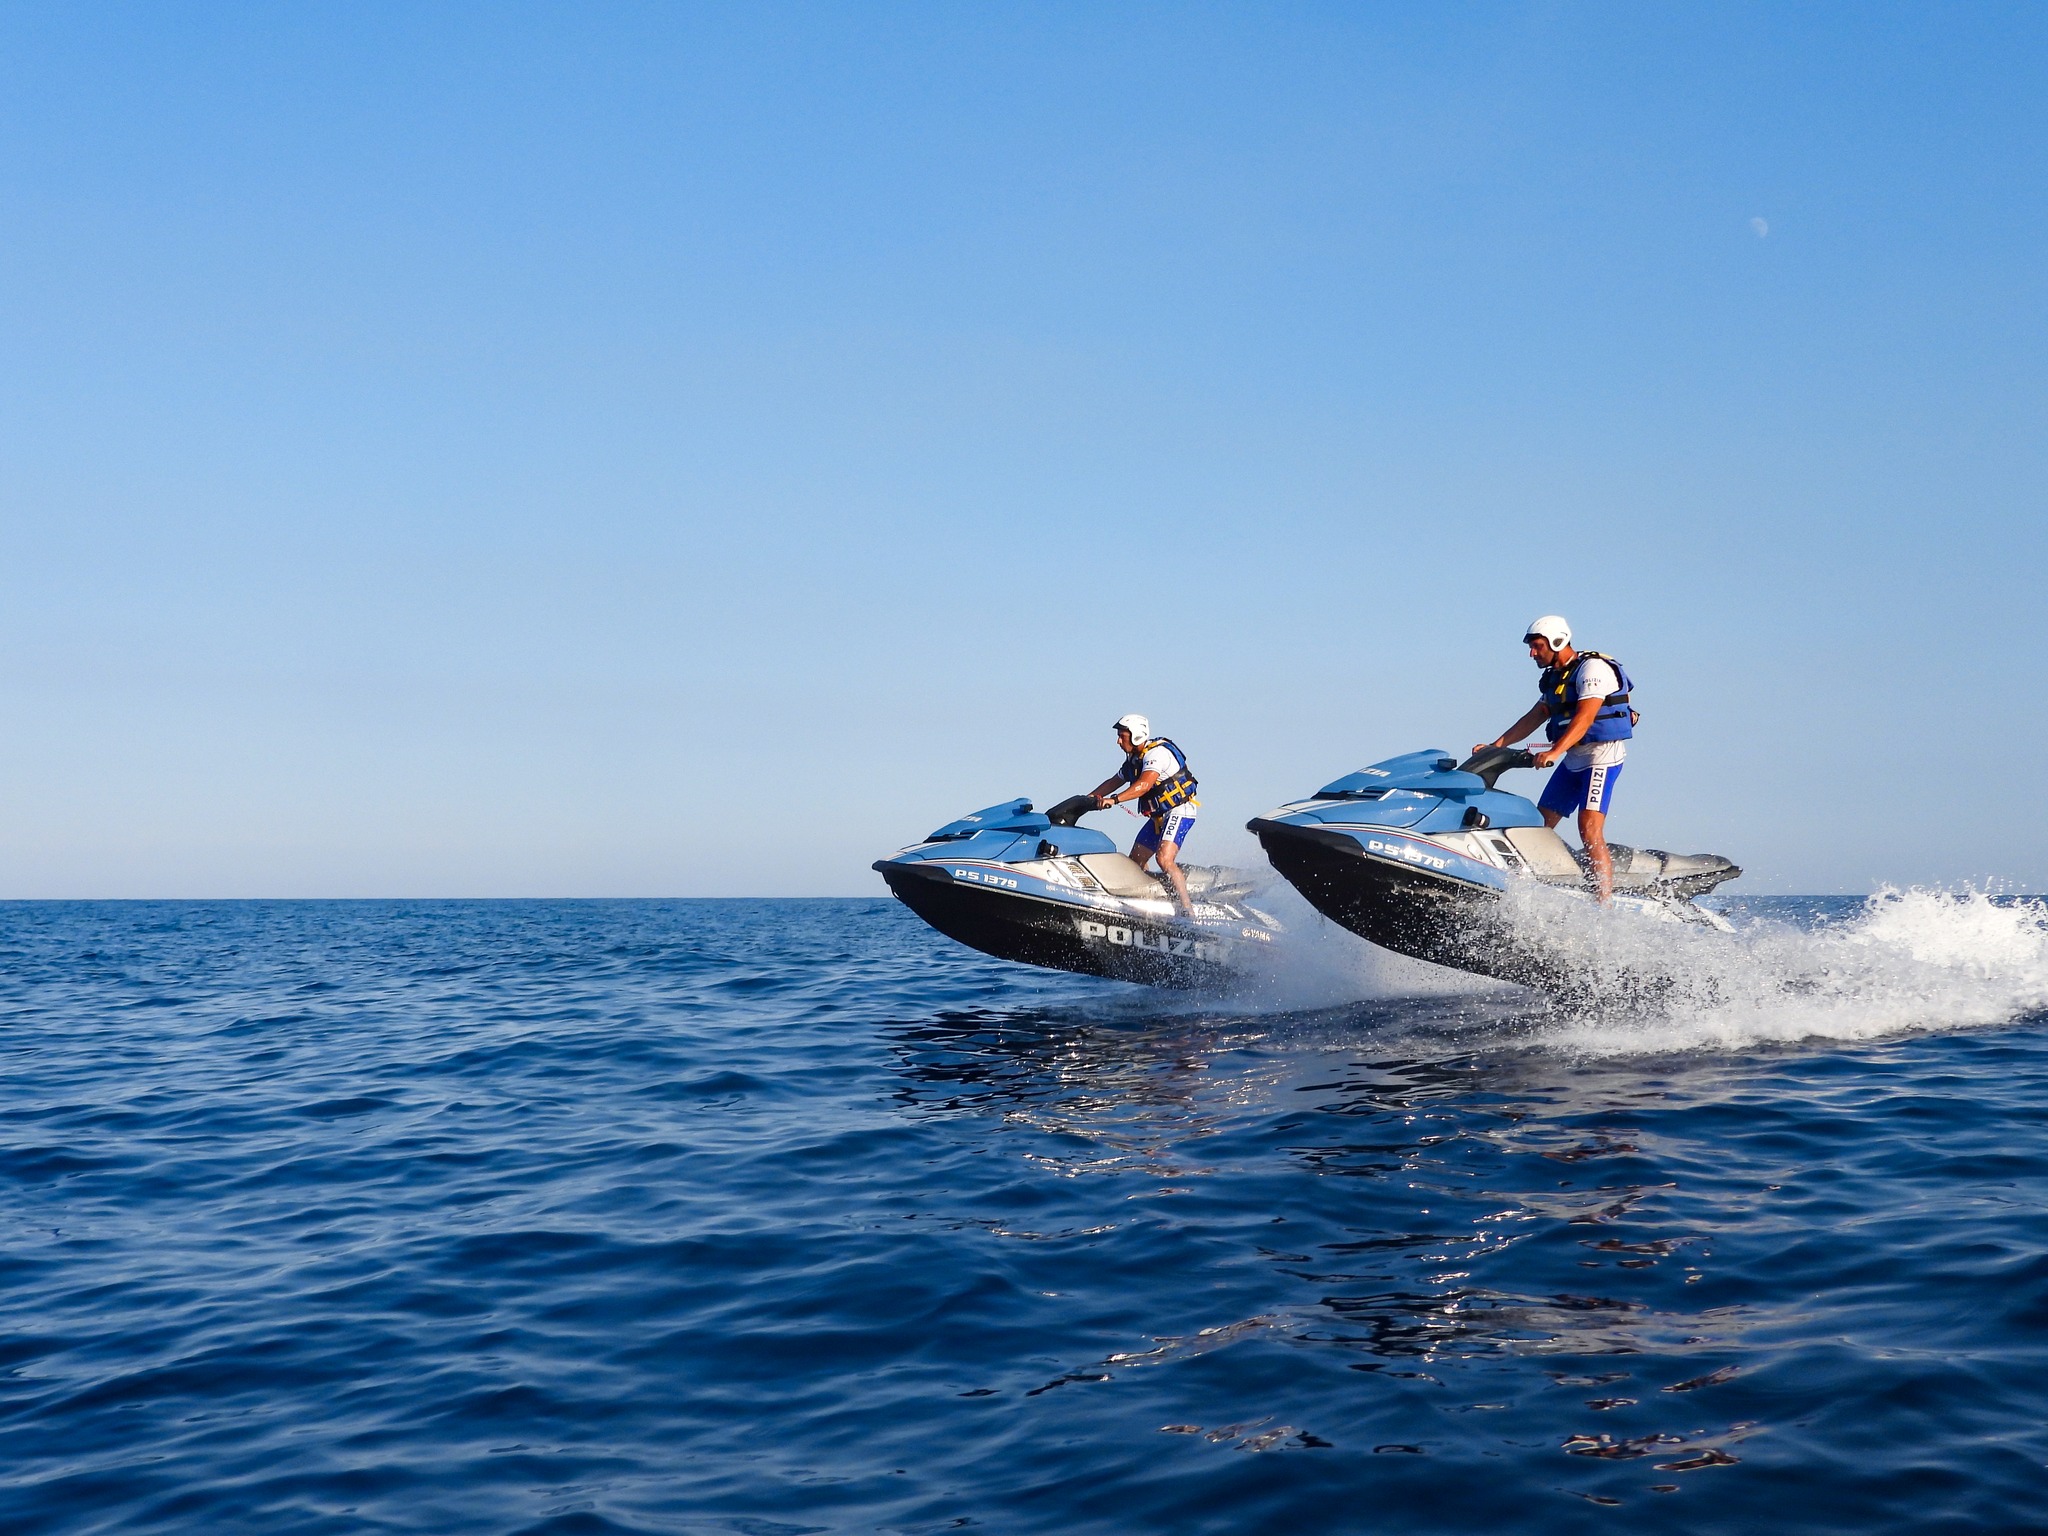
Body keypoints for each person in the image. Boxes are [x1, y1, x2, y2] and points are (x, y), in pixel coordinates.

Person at [1472, 615, 1636, 904]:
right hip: (1575, 757)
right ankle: (1524, 892)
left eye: (1537, 646)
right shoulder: (1554, 677)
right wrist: (1495, 746)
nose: (1531, 653)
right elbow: (1536, 716)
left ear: (1557, 642)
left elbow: (1584, 719)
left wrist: (1554, 752)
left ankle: (1603, 904)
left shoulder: (1592, 669)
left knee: (1589, 827)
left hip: (1602, 756)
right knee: (1540, 826)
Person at [1088, 714, 1199, 918]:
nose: (1118, 741)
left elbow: (1143, 785)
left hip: (1180, 810)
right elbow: (1114, 781)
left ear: (1136, 736)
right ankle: (1151, 901)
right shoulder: (1133, 760)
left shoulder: (1156, 755)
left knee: (1164, 859)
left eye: (1122, 736)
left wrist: (1114, 800)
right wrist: (1089, 798)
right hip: (1159, 817)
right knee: (1135, 863)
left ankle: (1187, 911)